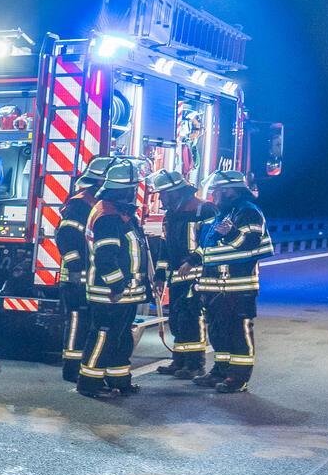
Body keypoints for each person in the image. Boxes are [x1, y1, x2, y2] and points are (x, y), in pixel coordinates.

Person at [192, 170, 274, 393]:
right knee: (218, 331)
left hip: (238, 286)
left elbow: (249, 242)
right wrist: (192, 260)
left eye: (218, 190)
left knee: (238, 331)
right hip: (216, 286)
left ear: (230, 191)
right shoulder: (226, 213)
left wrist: (230, 233)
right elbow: (209, 246)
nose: (214, 195)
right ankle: (220, 370)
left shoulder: (249, 212)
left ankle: (238, 378)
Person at [78, 158, 151, 398]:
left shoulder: (118, 212)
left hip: (126, 293)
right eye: (133, 188)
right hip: (109, 293)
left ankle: (119, 380)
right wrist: (117, 284)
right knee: (104, 335)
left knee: (121, 337)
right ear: (125, 189)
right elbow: (105, 256)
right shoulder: (108, 216)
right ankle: (89, 383)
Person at [150, 168, 208, 378]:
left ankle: (195, 365)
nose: (161, 198)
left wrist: (193, 260)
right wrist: (159, 275)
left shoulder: (203, 210)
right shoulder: (171, 215)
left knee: (191, 318)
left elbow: (210, 242)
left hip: (198, 276)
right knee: (177, 319)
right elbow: (165, 249)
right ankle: (180, 361)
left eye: (163, 194)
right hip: (177, 277)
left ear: (175, 192)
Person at [55, 160, 109, 382]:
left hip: (89, 278)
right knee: (78, 322)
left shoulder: (96, 204)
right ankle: (72, 368)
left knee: (85, 323)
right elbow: (64, 235)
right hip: (76, 280)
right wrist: (75, 267)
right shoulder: (80, 204)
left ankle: (81, 365)